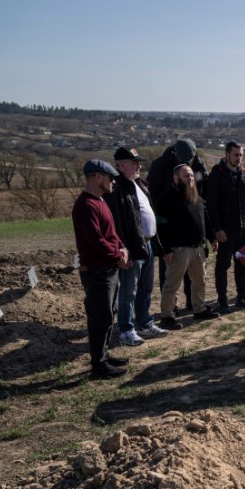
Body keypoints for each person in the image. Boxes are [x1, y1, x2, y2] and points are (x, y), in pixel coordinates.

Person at [72, 159, 131, 379]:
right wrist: (118, 255)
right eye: (109, 178)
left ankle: (104, 356)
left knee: (108, 315)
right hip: (97, 272)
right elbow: (96, 241)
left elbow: (111, 234)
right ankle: (98, 365)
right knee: (100, 317)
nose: (113, 182)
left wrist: (122, 249)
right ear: (98, 177)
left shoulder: (100, 201)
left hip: (108, 268)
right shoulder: (85, 205)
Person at [103, 147, 168, 346]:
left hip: (147, 244)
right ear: (122, 165)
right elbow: (117, 224)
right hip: (132, 248)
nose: (139, 165)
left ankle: (144, 323)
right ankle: (126, 330)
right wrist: (124, 250)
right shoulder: (116, 189)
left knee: (145, 289)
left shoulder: (138, 184)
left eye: (139, 162)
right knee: (128, 291)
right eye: (135, 162)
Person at [146, 139, 210, 312]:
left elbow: (204, 185)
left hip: (192, 222)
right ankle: (170, 310)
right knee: (170, 276)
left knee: (196, 277)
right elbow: (152, 193)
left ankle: (193, 303)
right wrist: (163, 246)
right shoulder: (160, 165)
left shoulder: (197, 163)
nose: (188, 163)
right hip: (170, 225)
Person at [156, 164, 220, 330]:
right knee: (172, 285)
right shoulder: (166, 199)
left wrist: (212, 237)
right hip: (178, 250)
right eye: (186, 176)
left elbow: (204, 218)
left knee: (200, 281)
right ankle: (167, 317)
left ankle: (199, 309)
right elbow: (160, 227)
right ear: (176, 178)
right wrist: (165, 249)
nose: (190, 178)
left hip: (198, 249)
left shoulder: (195, 197)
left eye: (191, 175)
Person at [205, 141, 245, 313]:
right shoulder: (217, 174)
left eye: (241, 155)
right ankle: (222, 301)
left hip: (244, 227)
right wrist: (217, 229)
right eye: (236, 155)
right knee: (223, 265)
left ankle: (242, 296)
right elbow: (211, 205)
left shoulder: (244, 175)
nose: (239, 158)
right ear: (227, 154)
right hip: (226, 229)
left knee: (242, 264)